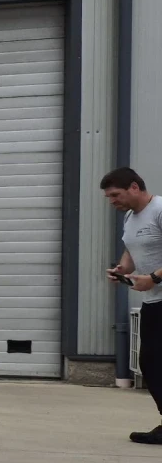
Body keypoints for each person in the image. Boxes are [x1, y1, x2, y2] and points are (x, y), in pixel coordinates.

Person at [101, 167, 162, 443]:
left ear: (134, 187)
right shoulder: (130, 216)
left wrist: (153, 278)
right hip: (154, 301)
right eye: (109, 196)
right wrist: (121, 269)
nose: (112, 201)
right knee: (150, 362)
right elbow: (132, 248)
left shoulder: (159, 209)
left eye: (115, 194)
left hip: (157, 292)